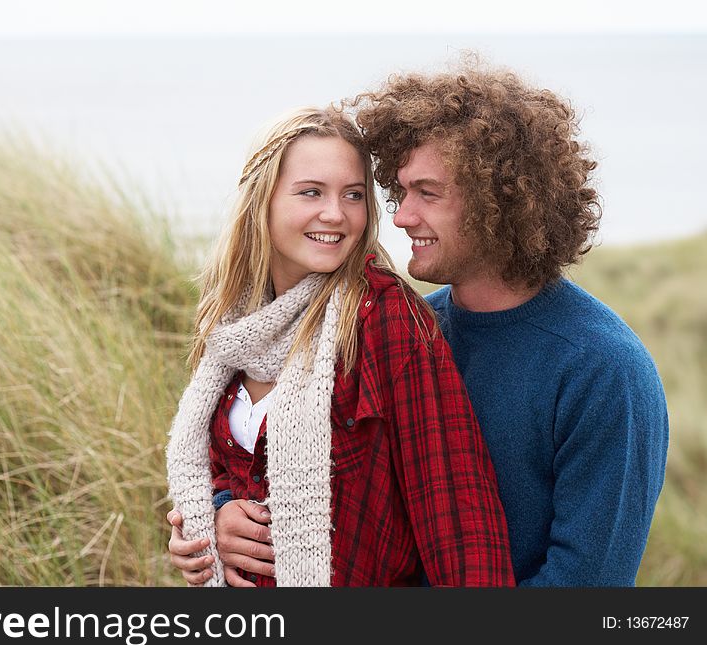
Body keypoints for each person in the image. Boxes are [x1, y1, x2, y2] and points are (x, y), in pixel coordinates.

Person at [169, 63, 669, 587]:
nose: (402, 216)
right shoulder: (405, 326)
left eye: (427, 193)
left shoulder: (604, 368)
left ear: (497, 205)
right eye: (399, 192)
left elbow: (589, 584)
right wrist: (228, 514)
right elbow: (333, 498)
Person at [165, 106, 514, 587]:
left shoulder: (387, 319)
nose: (336, 214)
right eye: (311, 192)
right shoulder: (233, 324)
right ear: (261, 200)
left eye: (353, 195)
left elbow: (455, 514)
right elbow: (231, 469)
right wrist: (218, 518)